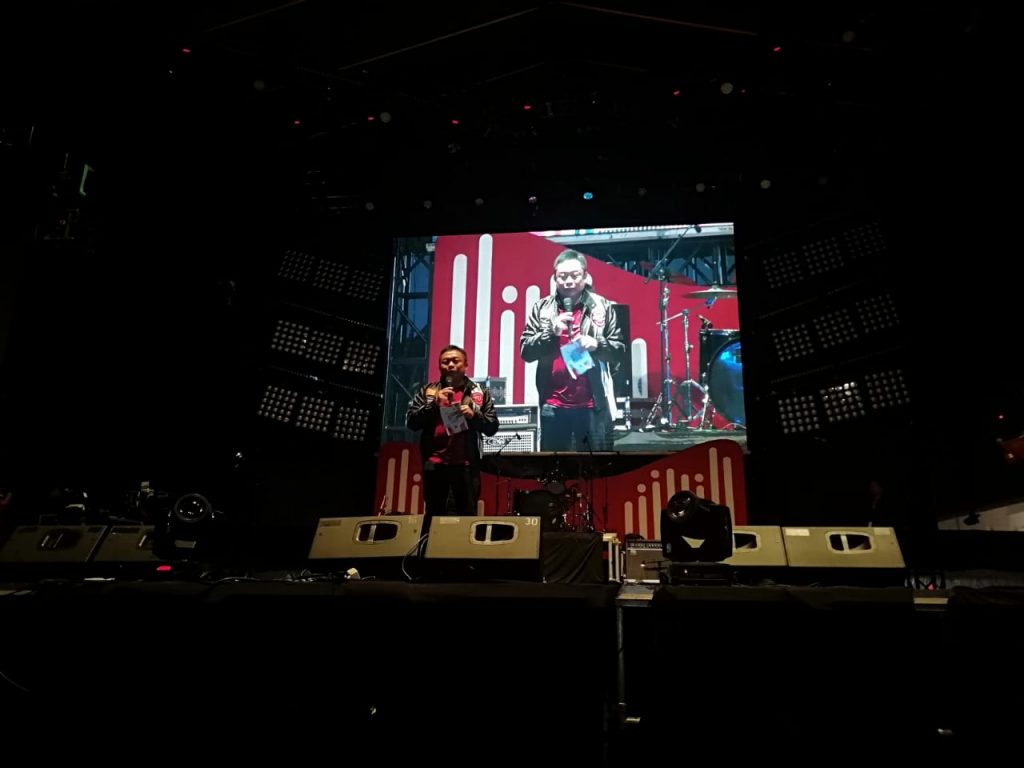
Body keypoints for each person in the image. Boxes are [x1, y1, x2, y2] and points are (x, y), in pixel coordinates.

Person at [520, 249, 624, 451]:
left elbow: (619, 351)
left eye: (574, 275)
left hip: (592, 405)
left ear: (585, 276)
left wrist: (597, 344)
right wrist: (550, 332)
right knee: (556, 467)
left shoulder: (602, 306)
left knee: (595, 466)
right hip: (553, 404)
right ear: (555, 278)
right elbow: (526, 352)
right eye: (563, 276)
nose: (568, 281)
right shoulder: (542, 308)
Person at [407, 345, 499, 521]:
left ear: (466, 365)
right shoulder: (428, 391)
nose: (450, 365)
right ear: (439, 366)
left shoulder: (478, 393)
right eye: (445, 362)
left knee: (466, 516)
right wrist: (433, 404)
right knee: (433, 515)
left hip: (466, 464)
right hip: (434, 464)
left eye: (455, 361)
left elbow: (492, 427)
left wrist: (474, 415)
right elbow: (412, 423)